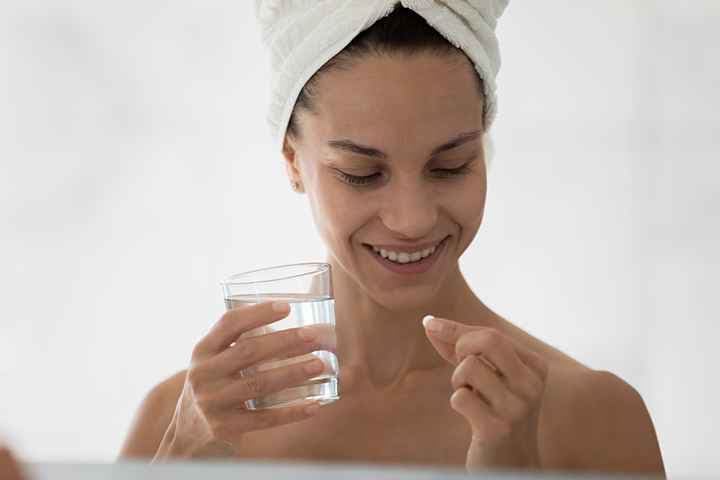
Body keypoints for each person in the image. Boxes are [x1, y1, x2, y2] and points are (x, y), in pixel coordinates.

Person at [119, 3, 665, 475]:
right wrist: (179, 464)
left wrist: (515, 473)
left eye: (450, 165)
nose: (412, 219)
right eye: (361, 173)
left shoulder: (592, 417)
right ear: (292, 161)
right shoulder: (183, 420)